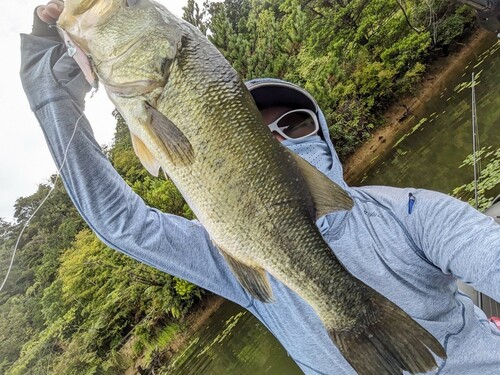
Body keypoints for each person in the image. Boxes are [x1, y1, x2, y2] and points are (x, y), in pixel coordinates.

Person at [20, 2, 500, 374]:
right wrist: (51, 101)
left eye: (293, 123)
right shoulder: (242, 265)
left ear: (325, 142)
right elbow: (121, 223)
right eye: (261, 131)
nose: (278, 140)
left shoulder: (408, 213)